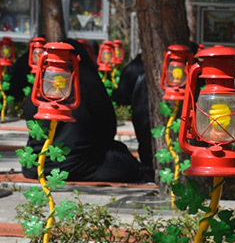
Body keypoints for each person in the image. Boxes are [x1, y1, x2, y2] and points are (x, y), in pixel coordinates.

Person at [22, 40, 152, 183]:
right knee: (124, 159)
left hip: (36, 166)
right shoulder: (88, 83)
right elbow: (108, 129)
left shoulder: (42, 85)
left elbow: (29, 117)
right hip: (80, 164)